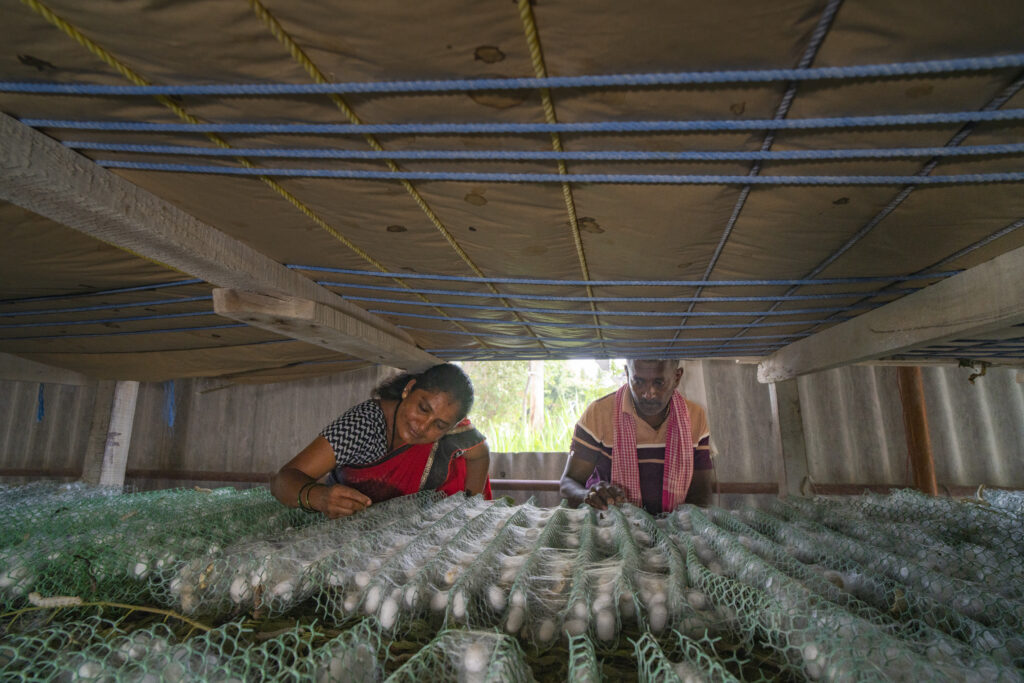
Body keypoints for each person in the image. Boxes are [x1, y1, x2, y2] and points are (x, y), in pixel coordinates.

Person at [270, 363, 491, 518]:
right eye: (423, 408)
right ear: (408, 389)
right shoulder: (363, 425)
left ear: (451, 427)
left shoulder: (454, 431)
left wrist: (469, 508)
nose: (423, 426)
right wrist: (320, 497)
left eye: (439, 425)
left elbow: (480, 454)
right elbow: (283, 481)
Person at [559, 359, 713, 514]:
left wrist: (683, 527)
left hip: (672, 530)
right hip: (609, 526)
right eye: (638, 382)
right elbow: (568, 482)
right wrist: (589, 495)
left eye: (659, 383)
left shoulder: (694, 416)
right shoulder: (599, 413)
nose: (648, 393)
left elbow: (700, 493)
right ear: (627, 374)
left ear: (677, 377)